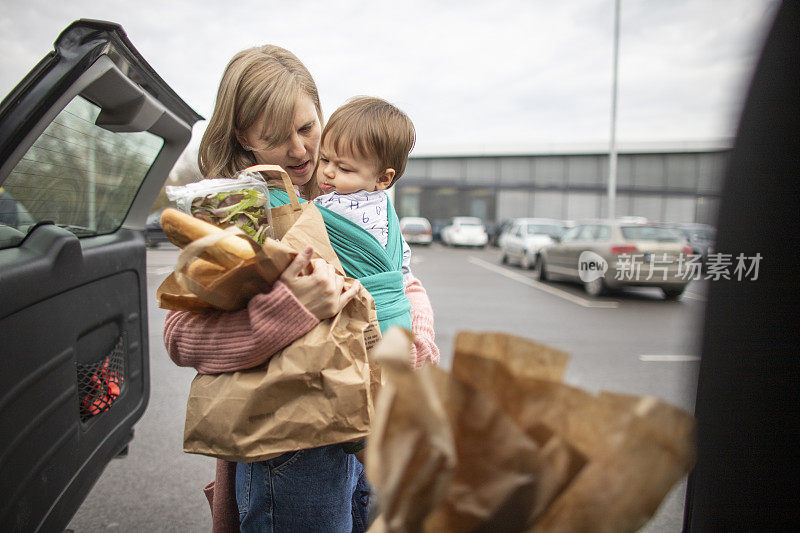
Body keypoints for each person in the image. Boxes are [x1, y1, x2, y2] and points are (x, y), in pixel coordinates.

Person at [163, 45, 439, 533]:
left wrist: (417, 328)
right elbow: (181, 337)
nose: (300, 151)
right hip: (290, 445)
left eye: (307, 128)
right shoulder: (231, 207)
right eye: (274, 136)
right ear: (242, 135)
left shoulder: (342, 189)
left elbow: (397, 274)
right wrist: (290, 309)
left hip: (364, 422)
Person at [311, 96, 416, 333]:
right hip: (398, 317)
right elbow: (402, 266)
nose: (328, 171)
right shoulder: (385, 208)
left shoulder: (331, 206)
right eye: (324, 159)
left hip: (365, 322)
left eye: (344, 168)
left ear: (383, 178)